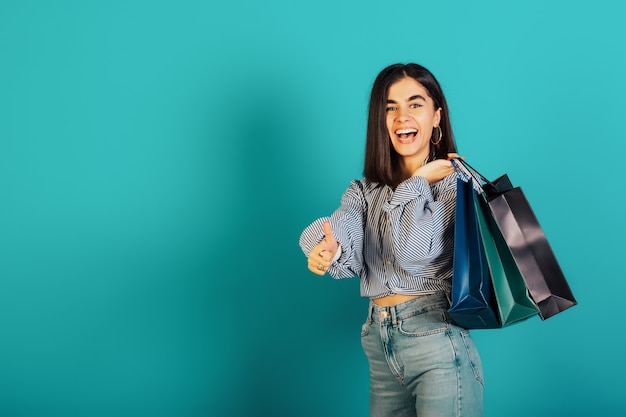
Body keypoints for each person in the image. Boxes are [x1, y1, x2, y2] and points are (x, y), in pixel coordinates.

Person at [299, 63, 484, 417]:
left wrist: (417, 183)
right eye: (390, 107)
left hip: (436, 342)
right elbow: (343, 237)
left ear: (436, 117)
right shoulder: (364, 191)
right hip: (379, 344)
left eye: (415, 104)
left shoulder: (455, 185)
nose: (402, 116)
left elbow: (411, 251)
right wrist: (326, 248)